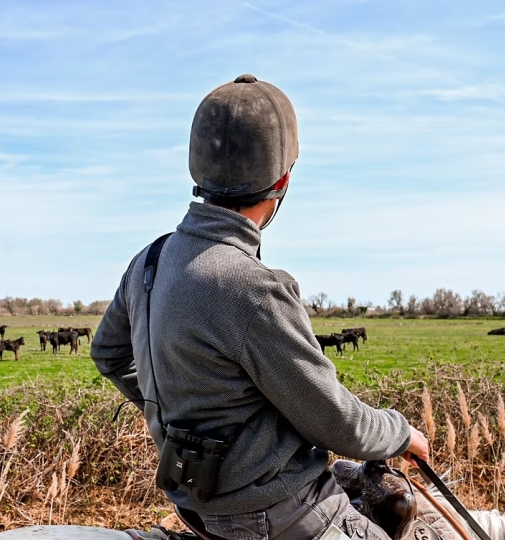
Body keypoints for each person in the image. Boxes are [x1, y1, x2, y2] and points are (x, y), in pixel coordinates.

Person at [90, 74, 429, 540]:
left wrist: (174, 413)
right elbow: (339, 425)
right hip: (278, 511)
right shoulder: (256, 288)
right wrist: (402, 432)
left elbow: (108, 354)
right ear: (283, 179)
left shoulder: (149, 261)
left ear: (197, 171)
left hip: (193, 502)